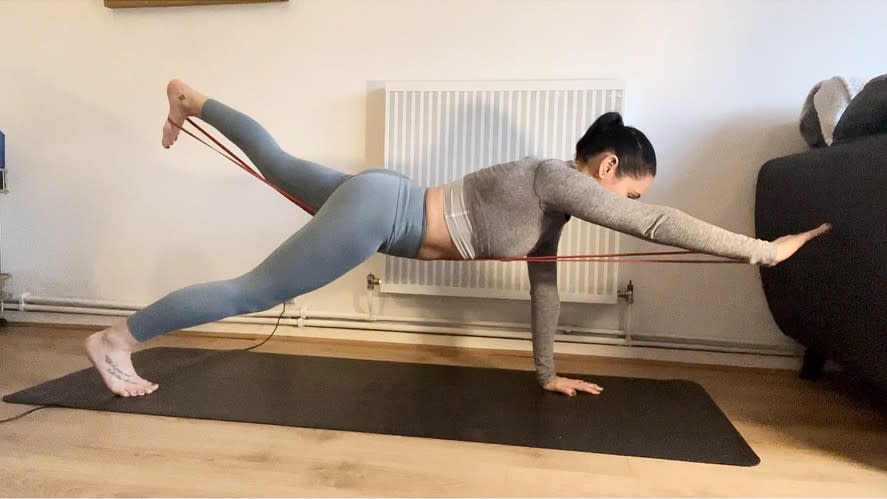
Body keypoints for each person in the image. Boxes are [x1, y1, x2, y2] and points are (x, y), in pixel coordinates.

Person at [85, 80, 831, 398]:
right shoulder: (557, 177)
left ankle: (192, 97)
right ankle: (118, 338)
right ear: (606, 166)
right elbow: (657, 224)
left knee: (277, 164)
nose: (631, 205)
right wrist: (761, 249)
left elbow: (547, 289)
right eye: (628, 188)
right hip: (383, 213)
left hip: (382, 196)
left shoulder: (553, 206)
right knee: (255, 290)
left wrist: (545, 374)